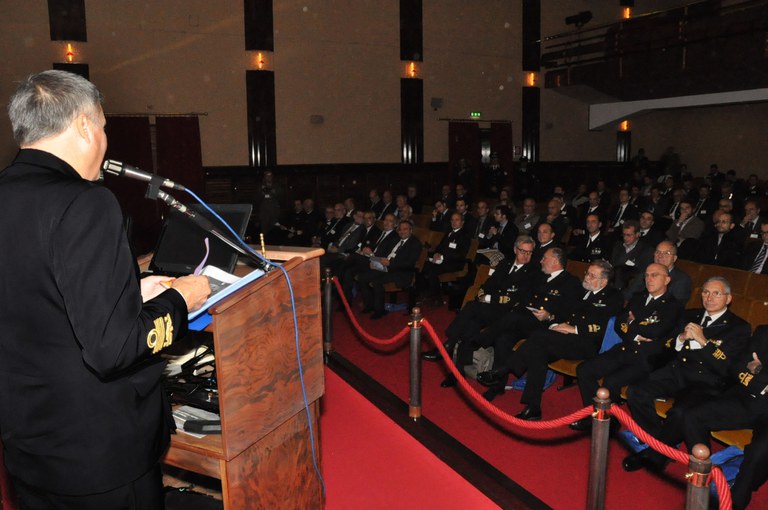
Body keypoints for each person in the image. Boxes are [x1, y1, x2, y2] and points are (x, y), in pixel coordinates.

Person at [0, 70, 211, 509]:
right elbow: (113, 349)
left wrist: (129, 291)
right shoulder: (85, 202)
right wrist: (180, 299)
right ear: (84, 125)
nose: (104, 139)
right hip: (99, 453)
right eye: (103, 126)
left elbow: (34, 294)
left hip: (29, 441)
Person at [622, 277, 751, 473]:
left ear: (728, 298)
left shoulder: (738, 327)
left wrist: (704, 342)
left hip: (706, 382)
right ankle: (661, 441)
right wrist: (681, 339)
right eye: (705, 292)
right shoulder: (691, 315)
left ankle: (656, 454)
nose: (709, 298)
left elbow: (728, 367)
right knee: (636, 392)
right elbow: (668, 345)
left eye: (716, 293)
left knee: (680, 412)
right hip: (678, 372)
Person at [570, 263, 683, 431]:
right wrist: (635, 332)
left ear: (667, 280)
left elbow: (657, 331)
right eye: (647, 275)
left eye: (654, 275)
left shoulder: (673, 306)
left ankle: (609, 422)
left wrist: (632, 324)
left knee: (611, 381)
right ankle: (595, 414)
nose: (649, 279)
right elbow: (619, 324)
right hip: (626, 348)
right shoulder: (638, 298)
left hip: (647, 358)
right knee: (584, 370)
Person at [671, 325, 768, 510]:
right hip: (748, 399)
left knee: (759, 452)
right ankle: (706, 475)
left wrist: (757, 370)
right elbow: (736, 367)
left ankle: (735, 502)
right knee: (692, 416)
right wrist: (761, 379)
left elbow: (748, 369)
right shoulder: (763, 332)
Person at [471, 247, 583, 401]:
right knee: (503, 339)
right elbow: (524, 298)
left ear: (555, 261)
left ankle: (479, 340)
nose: (541, 261)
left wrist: (550, 315)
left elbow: (570, 312)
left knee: (513, 317)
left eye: (544, 258)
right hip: (527, 321)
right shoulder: (540, 277)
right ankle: (497, 386)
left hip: (545, 326)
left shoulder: (571, 282)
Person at [426, 236, 538, 386]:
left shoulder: (532, 272)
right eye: (523, 251)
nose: (526, 256)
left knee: (472, 306)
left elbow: (517, 298)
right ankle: (458, 371)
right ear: (515, 249)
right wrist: (483, 294)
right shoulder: (505, 264)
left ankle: (448, 344)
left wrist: (489, 298)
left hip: (507, 314)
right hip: (489, 309)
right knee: (470, 326)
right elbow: (488, 284)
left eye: (529, 252)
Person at [357, 219, 422, 319]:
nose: (402, 231)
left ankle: (379, 311)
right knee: (362, 277)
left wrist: (390, 263)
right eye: (400, 229)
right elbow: (384, 254)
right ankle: (369, 305)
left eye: (405, 229)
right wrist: (375, 262)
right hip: (385, 267)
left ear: (411, 230)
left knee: (376, 281)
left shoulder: (415, 243)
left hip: (400, 272)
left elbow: (409, 263)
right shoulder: (396, 239)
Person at [622, 240, 692, 304]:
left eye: (666, 253)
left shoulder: (682, 280)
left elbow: (675, 307)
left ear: (674, 258)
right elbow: (628, 294)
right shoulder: (645, 273)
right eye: (658, 252)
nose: (660, 256)